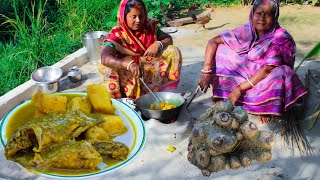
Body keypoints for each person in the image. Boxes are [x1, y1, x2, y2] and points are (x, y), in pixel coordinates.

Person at [198, 0, 307, 123]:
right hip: (250, 74)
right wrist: (206, 71)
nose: (262, 18)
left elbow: (267, 69)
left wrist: (238, 90)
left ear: (275, 16)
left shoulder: (281, 38)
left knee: (283, 72)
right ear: (252, 14)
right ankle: (226, 96)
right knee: (222, 50)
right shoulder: (247, 30)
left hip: (266, 80)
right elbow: (213, 41)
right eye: (258, 13)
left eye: (268, 14)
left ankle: (264, 106)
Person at [99, 0, 182, 99]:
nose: (138, 20)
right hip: (127, 72)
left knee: (172, 51)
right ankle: (119, 98)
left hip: (147, 68)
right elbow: (105, 58)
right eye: (133, 17)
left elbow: (168, 39)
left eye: (141, 16)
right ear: (124, 16)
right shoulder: (117, 34)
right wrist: (128, 64)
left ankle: (157, 90)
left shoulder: (149, 26)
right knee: (105, 65)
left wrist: (158, 44)